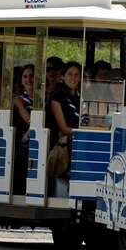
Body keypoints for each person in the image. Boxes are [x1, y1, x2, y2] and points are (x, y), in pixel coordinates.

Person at [47, 61, 81, 196]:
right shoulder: (57, 98)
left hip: (78, 137)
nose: (73, 78)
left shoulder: (80, 98)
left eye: (76, 75)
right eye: (70, 74)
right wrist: (84, 134)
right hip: (61, 141)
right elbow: (64, 128)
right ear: (63, 77)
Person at [12, 64, 33, 194]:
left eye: (31, 76)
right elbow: (30, 120)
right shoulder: (18, 100)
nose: (28, 79)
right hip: (21, 142)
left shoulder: (45, 98)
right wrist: (20, 105)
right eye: (25, 76)